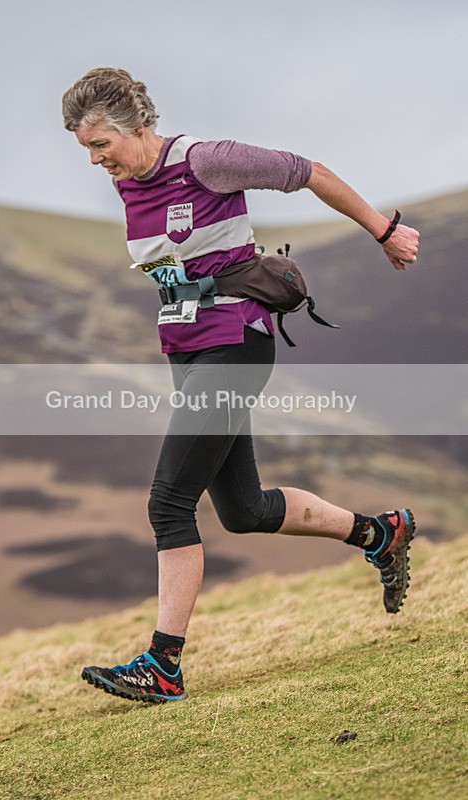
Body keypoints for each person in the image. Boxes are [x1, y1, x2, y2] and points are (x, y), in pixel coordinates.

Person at [62, 67, 420, 704]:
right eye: (85, 149)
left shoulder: (208, 161)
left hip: (235, 343)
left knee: (169, 502)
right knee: (243, 510)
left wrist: (383, 230)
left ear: (137, 127)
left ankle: (163, 666)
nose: (95, 160)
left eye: (100, 145)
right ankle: (379, 532)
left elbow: (308, 170)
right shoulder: (130, 185)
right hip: (188, 353)